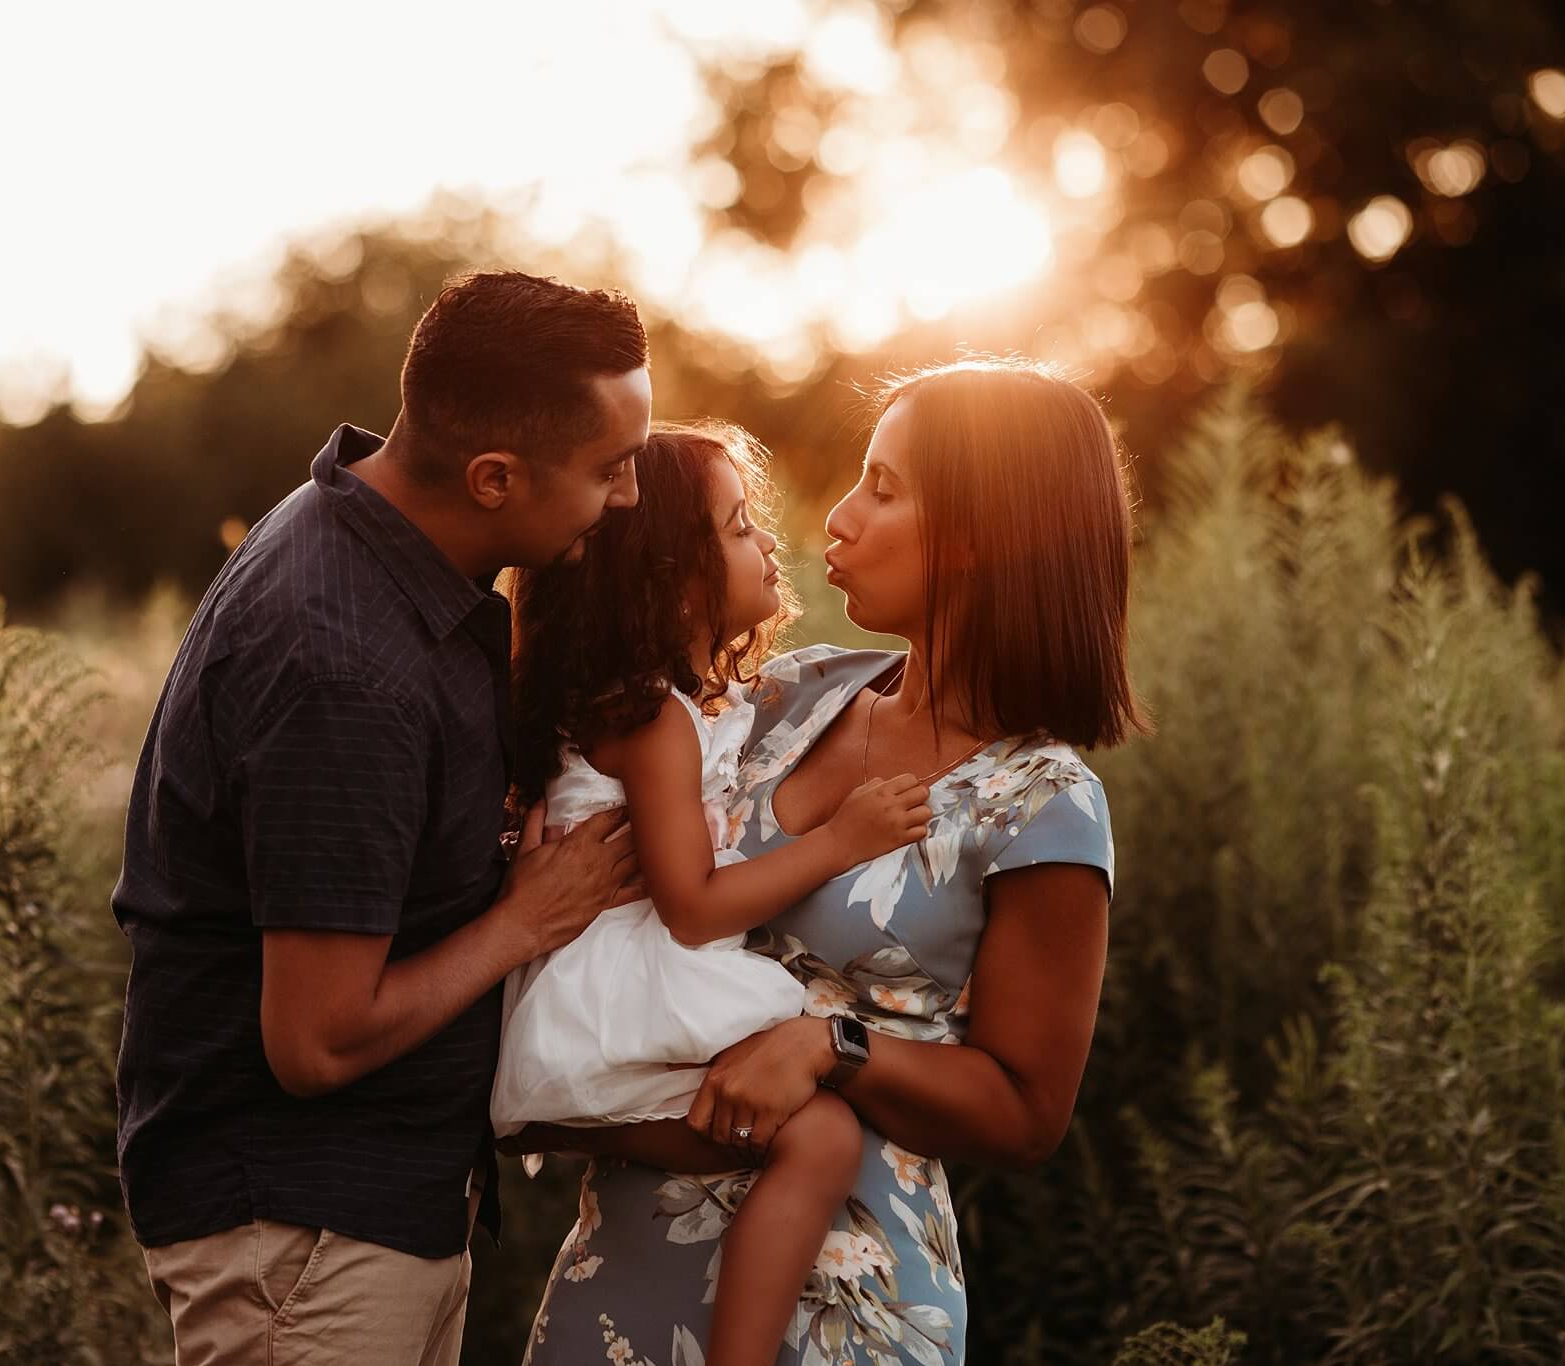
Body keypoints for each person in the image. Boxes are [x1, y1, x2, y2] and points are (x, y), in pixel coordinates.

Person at [519, 357, 1147, 1366]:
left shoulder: (1039, 803)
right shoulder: (784, 694)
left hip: (842, 1308)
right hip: (620, 1278)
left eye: (883, 488)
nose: (838, 518)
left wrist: (831, 1046)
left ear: (984, 537)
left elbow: (1025, 1113)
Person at [111, 270, 652, 1366]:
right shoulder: (344, 664)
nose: (631, 496)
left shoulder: (377, 548)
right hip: (302, 1236)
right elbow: (313, 1039)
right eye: (609, 468)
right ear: (493, 477)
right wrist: (524, 919)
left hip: (358, 1215)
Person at [494, 422, 932, 1366]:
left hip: (602, 987)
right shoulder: (655, 720)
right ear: (667, 578)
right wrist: (838, 841)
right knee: (818, 1138)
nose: (770, 542)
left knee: (810, 1130)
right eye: (739, 528)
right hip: (619, 990)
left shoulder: (665, 705)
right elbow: (693, 907)